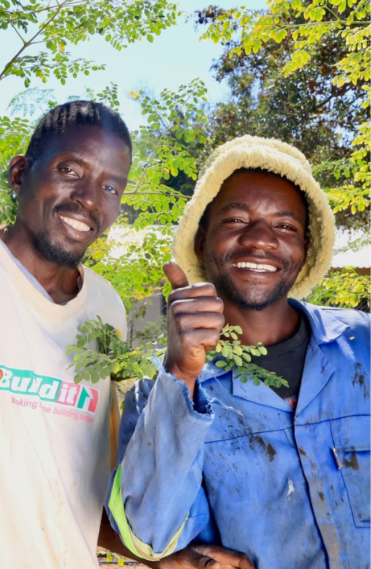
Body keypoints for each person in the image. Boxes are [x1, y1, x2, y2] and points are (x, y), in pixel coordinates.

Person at [0, 100, 250, 568]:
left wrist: (161, 559)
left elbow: (74, 493)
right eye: (69, 169)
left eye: (110, 187)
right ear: (20, 173)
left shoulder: (107, 308)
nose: (89, 198)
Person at [106, 136, 370, 568]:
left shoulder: (364, 347)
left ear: (304, 253)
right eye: (236, 220)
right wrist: (182, 374)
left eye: (285, 226)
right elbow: (146, 539)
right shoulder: (158, 394)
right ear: (201, 243)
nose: (261, 239)